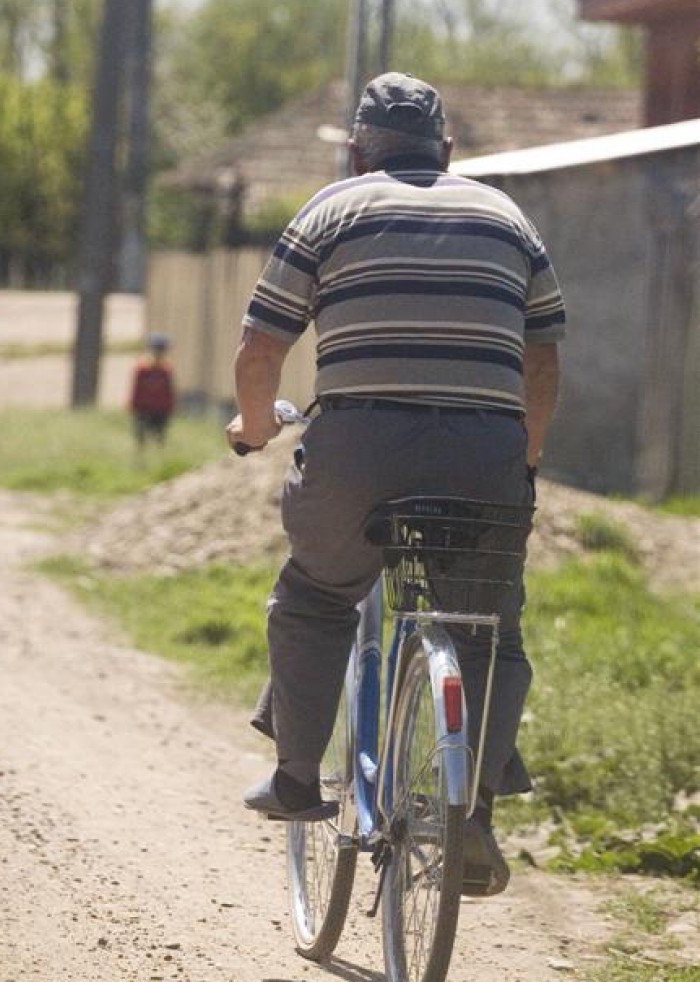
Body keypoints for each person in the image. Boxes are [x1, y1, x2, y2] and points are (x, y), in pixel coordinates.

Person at [226, 72, 564, 896]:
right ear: (448, 151)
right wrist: (524, 456)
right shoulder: (509, 220)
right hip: (485, 453)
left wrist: (255, 427)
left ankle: (300, 777)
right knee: (486, 624)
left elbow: (260, 353)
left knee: (316, 594)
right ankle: (472, 809)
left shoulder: (330, 212)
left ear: (355, 151)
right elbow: (544, 359)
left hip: (357, 448)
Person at [129, 333, 176, 447]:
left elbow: (169, 391)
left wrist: (170, 407)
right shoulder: (143, 369)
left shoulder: (166, 370)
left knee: (159, 438)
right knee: (141, 439)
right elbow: (136, 389)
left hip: (160, 409)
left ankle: (158, 458)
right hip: (144, 409)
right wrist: (134, 406)